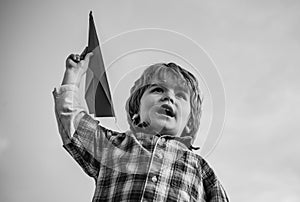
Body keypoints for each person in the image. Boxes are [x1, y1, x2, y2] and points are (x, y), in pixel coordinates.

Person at [53, 52, 229, 201]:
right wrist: (73, 74)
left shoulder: (200, 169)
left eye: (181, 95)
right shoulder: (113, 147)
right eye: (158, 89)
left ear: (190, 123)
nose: (169, 97)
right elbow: (73, 122)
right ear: (136, 109)